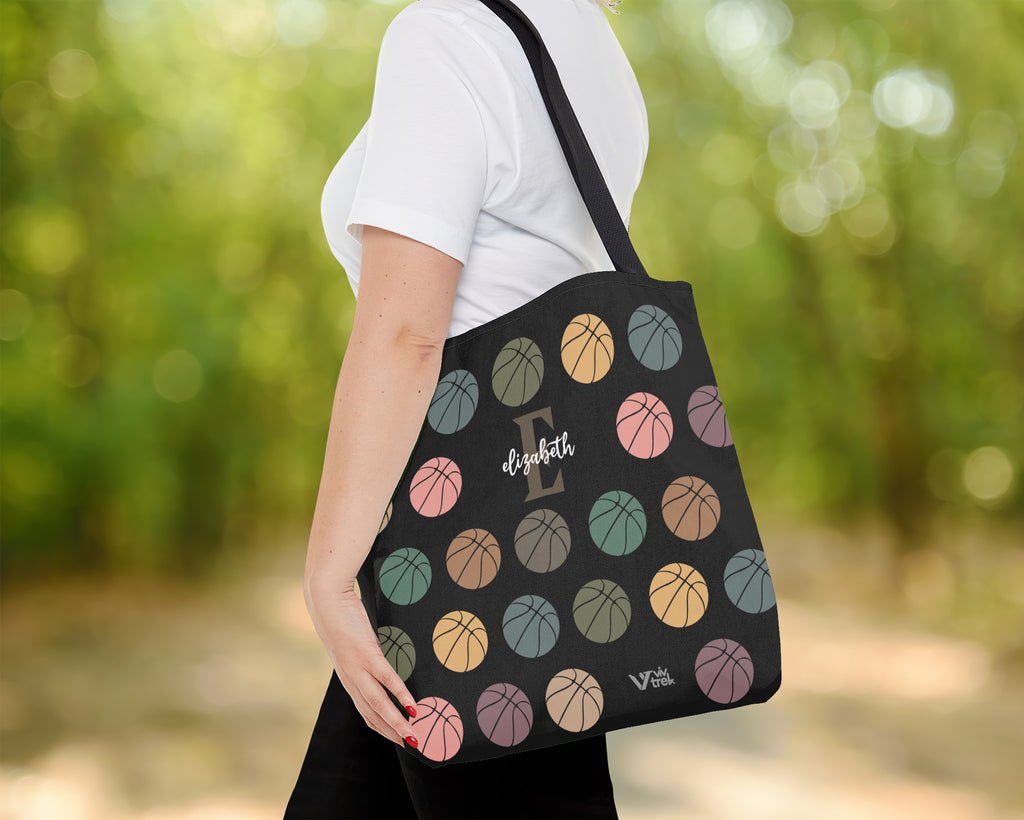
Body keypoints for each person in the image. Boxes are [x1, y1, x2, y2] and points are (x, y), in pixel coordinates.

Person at [284, 0, 647, 816]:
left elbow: (407, 332)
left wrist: (328, 574)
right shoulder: (598, 54)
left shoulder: (446, 31)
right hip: (543, 508)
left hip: (464, 536)